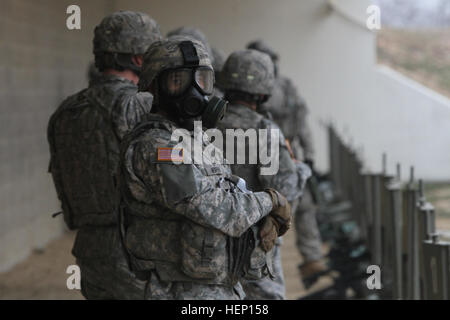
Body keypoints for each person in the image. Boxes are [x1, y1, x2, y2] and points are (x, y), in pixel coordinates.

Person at [118, 37, 292, 299]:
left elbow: (227, 190)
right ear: (155, 86)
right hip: (178, 289)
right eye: (178, 81)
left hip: (212, 285)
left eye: (202, 80)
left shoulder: (193, 138)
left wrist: (259, 215)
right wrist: (270, 200)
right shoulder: (158, 147)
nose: (195, 91)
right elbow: (218, 210)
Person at [47, 11, 162, 299]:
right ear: (139, 59)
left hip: (89, 251)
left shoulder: (65, 112)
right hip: (141, 252)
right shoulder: (143, 105)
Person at [217, 49, 310, 299]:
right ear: (263, 89)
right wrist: (301, 169)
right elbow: (285, 189)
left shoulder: (204, 124)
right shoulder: (263, 130)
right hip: (255, 244)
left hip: (209, 247)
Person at [247, 40, 327, 282]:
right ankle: (268, 263)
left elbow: (302, 122)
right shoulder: (249, 88)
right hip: (260, 155)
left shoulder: (287, 86)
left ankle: (312, 258)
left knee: (304, 209)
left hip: (288, 153)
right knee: (271, 212)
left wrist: (310, 156)